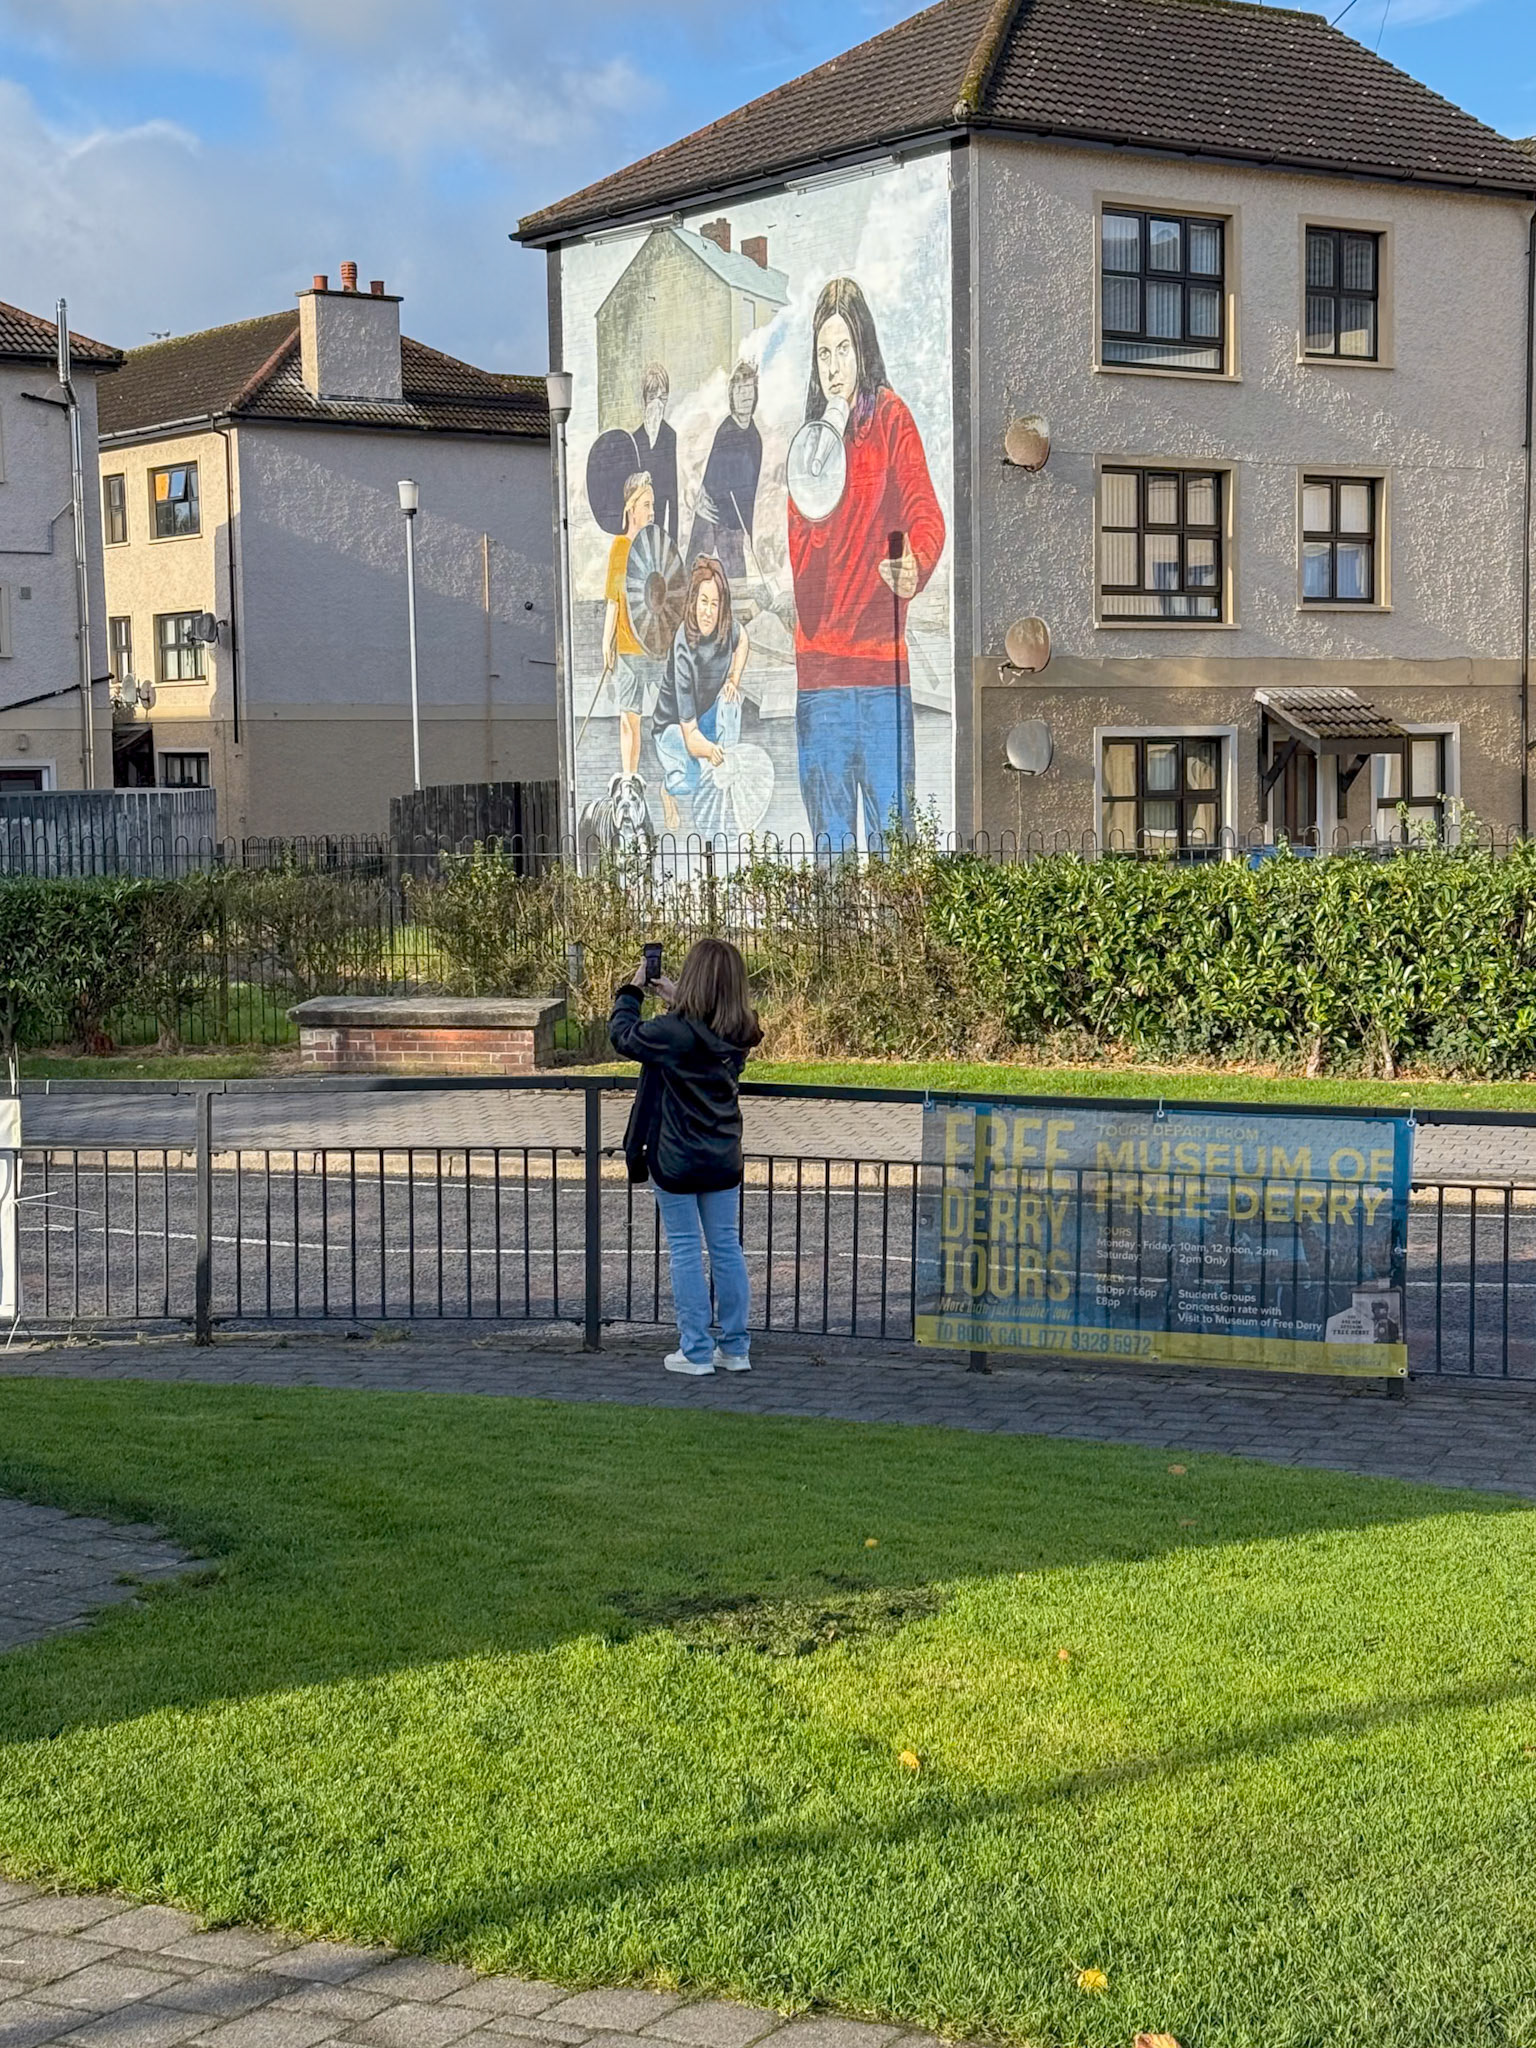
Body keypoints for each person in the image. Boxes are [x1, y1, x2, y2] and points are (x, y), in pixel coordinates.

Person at [788, 276, 945, 849]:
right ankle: (836, 944)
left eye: (843, 349)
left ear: (863, 348)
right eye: (822, 353)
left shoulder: (892, 418)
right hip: (822, 680)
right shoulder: (807, 447)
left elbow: (927, 512)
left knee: (894, 843)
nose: (833, 367)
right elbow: (805, 583)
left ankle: (891, 944)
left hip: (882, 673)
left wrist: (917, 562)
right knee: (831, 847)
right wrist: (820, 498)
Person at [609, 938, 763, 1375]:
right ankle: (735, 1347)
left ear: (692, 978)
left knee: (684, 1250)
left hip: (675, 1155)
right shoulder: (741, 1030)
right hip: (723, 1155)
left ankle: (695, 1349)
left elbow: (623, 1037)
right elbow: (711, 1024)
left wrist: (632, 991)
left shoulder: (670, 1033)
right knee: (726, 1248)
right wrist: (684, 1001)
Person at [653, 557, 749, 836]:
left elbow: (743, 641)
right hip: (675, 728)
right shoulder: (683, 647)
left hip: (704, 715)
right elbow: (690, 733)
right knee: (691, 780)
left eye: (715, 603)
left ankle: (724, 770)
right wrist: (709, 751)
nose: (708, 611)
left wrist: (733, 679)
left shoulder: (726, 629)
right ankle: (667, 789)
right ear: (693, 602)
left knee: (731, 700)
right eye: (703, 601)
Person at [601, 471, 662, 783]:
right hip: (627, 648)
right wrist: (605, 643)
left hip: (655, 649)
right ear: (631, 507)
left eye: (652, 505)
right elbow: (614, 599)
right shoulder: (620, 547)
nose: (651, 512)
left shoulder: (655, 545)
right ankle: (630, 779)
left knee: (670, 716)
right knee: (630, 718)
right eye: (647, 505)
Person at [688, 361, 763, 579]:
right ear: (732, 395)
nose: (745, 395)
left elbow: (751, 491)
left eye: (749, 388)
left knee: (737, 580)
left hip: (734, 520)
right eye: (739, 389)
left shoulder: (755, 438)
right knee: (695, 571)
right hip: (711, 513)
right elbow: (713, 481)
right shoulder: (725, 431)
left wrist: (748, 530)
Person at [633, 364, 678, 548]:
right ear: (644, 400)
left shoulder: (669, 436)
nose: (657, 405)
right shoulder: (635, 439)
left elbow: (673, 496)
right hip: (638, 528)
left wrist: (673, 542)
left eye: (662, 398)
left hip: (659, 528)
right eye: (652, 397)